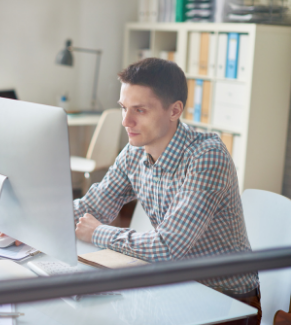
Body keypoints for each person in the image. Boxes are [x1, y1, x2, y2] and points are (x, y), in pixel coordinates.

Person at [73, 58, 261, 325]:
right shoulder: (134, 152)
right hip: (175, 285)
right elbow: (92, 206)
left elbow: (167, 247)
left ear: (174, 111)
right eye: (124, 108)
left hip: (226, 299)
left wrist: (98, 232)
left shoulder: (206, 157)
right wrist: (28, 222)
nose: (126, 121)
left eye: (139, 110)